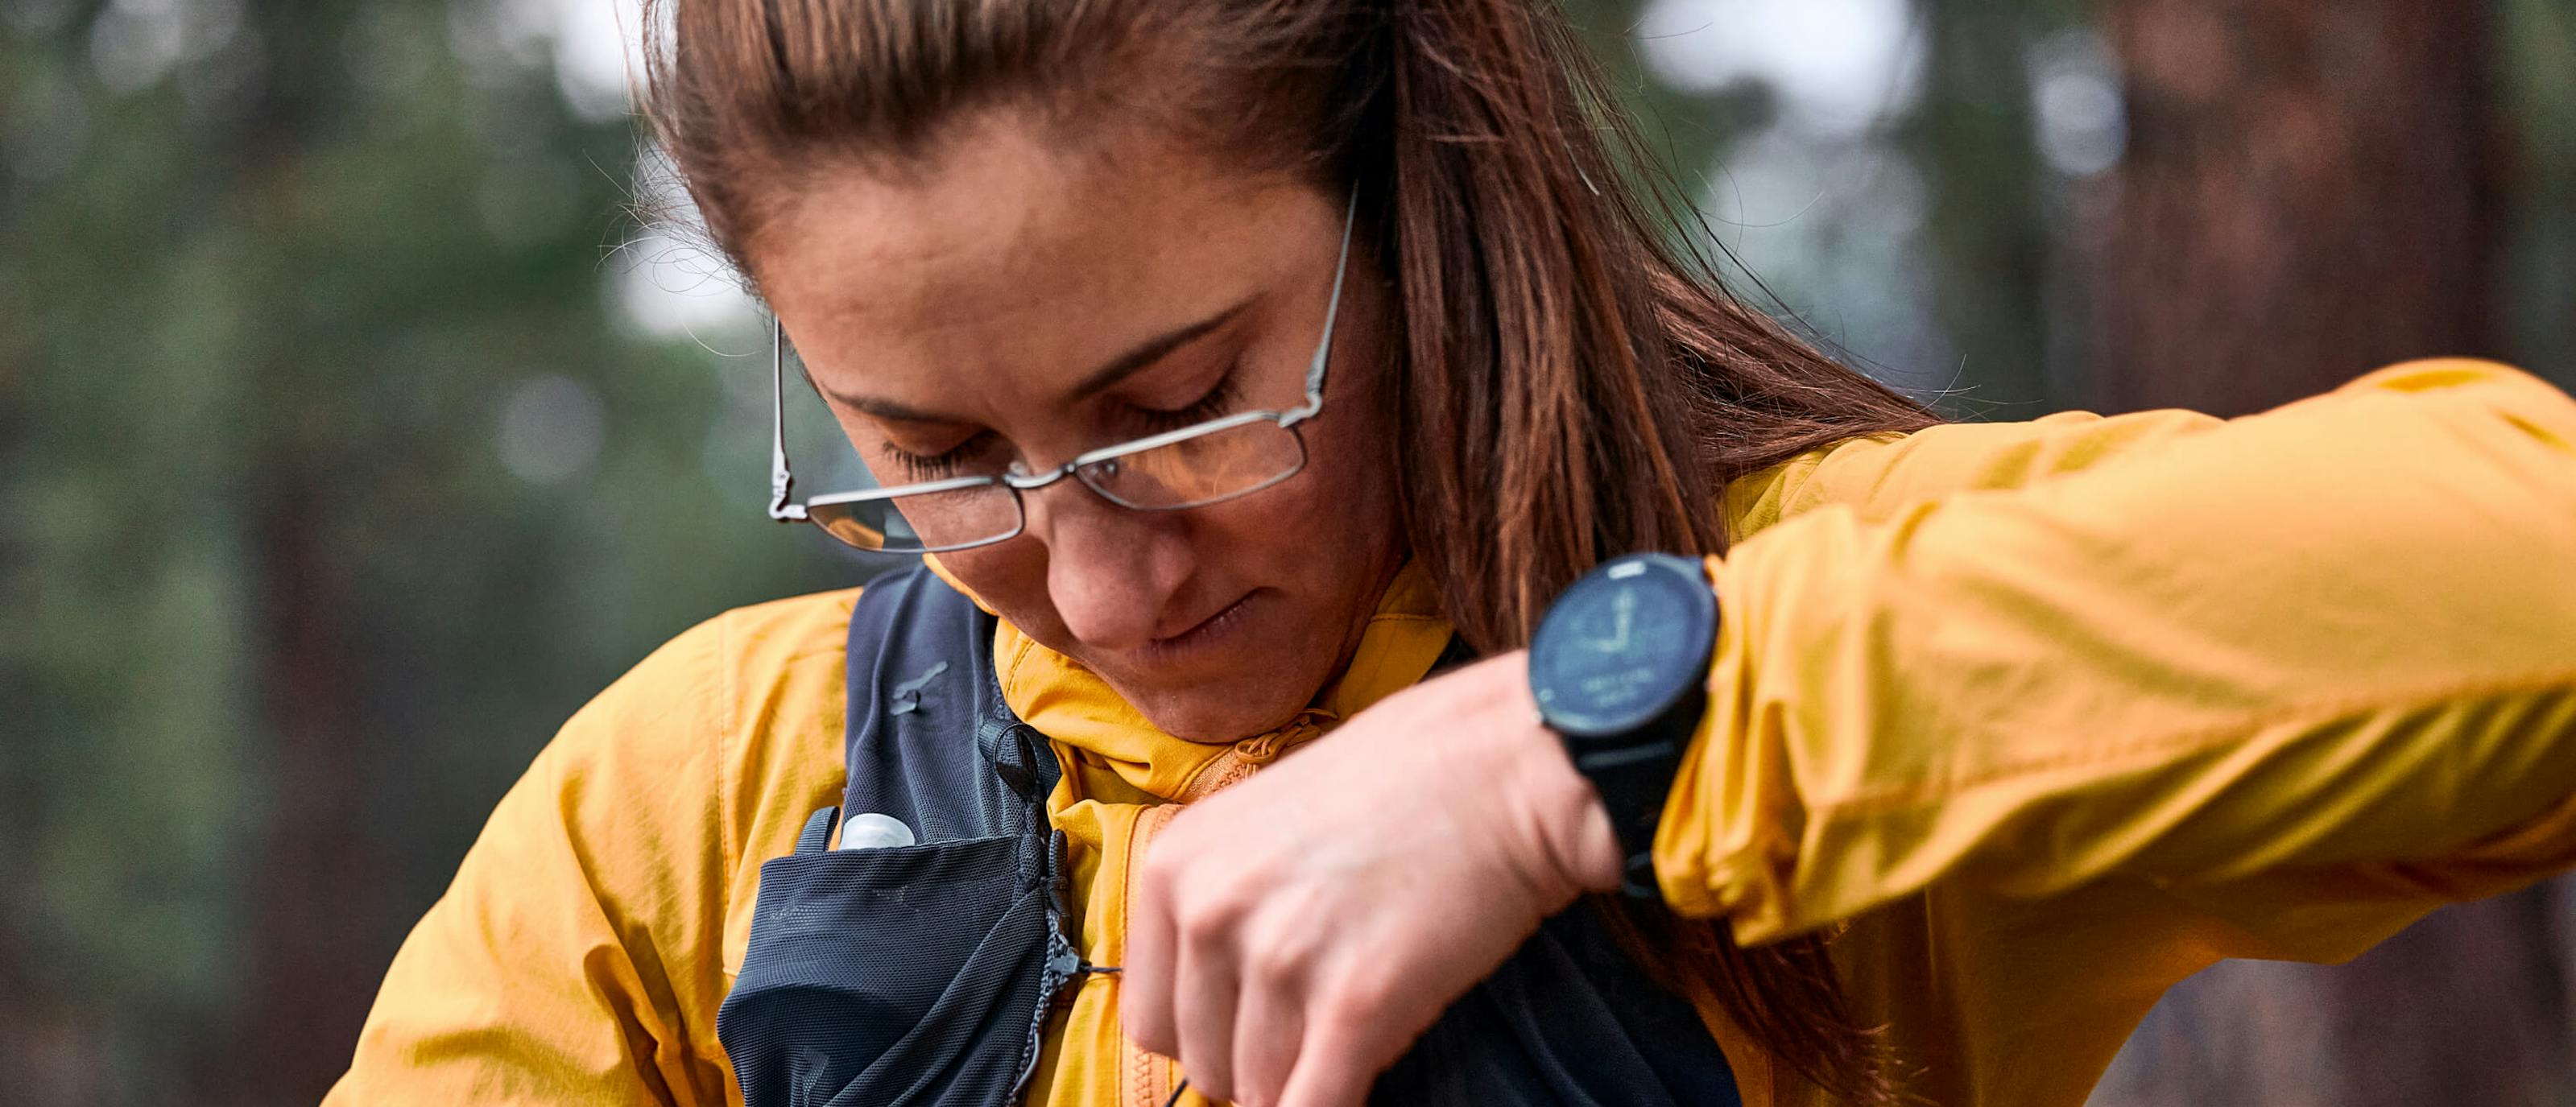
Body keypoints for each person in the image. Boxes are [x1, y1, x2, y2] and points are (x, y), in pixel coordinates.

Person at [325, 0, 2576, 1104]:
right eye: (935, 452)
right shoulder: (698, 812)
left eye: (1184, 410)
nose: (1100, 586)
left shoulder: (1779, 617)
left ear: (1419, 215)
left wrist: (1569, 755)